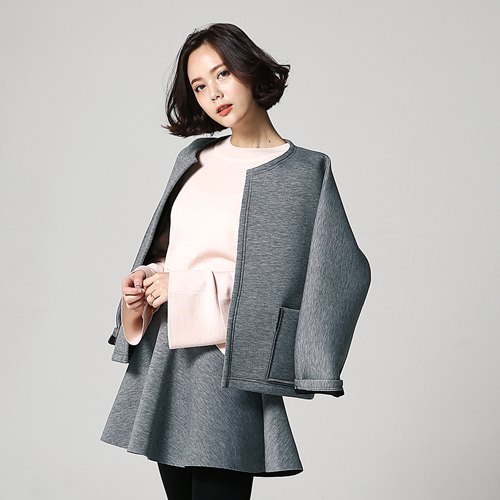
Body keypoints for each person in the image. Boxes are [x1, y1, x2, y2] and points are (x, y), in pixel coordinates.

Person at [101, 23, 370, 500]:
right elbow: (170, 254)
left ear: (249, 69)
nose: (213, 93)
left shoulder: (305, 171)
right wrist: (145, 283)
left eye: (222, 73)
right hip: (167, 356)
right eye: (199, 86)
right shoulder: (193, 158)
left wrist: (186, 288)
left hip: (229, 363)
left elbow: (337, 274)